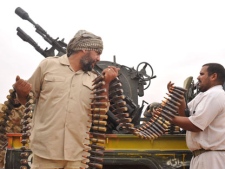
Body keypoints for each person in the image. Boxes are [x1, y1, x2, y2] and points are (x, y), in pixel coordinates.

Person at [13, 30, 120, 169]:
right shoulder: (48, 66)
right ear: (84, 49)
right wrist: (21, 92)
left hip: (77, 154)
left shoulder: (94, 79)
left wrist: (106, 83)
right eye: (97, 53)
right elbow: (27, 99)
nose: (99, 58)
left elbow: (100, 113)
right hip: (45, 151)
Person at [167, 63, 225, 169]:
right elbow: (185, 116)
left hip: (212, 158)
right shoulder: (203, 96)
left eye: (202, 74)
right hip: (201, 157)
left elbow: (195, 126)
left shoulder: (216, 96)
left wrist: (167, 117)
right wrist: (178, 97)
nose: (198, 77)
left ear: (213, 76)